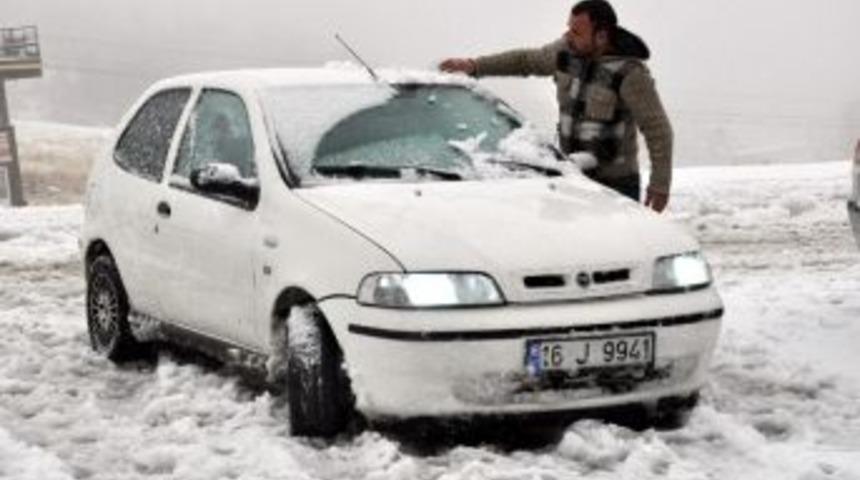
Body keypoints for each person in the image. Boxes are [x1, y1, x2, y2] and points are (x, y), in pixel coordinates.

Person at [440, 0, 673, 212]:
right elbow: (525, 60)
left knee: (616, 244)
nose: (568, 35)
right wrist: (475, 66)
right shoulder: (565, 52)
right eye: (569, 27)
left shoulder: (631, 74)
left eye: (576, 32)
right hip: (573, 178)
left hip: (616, 186)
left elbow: (658, 129)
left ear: (601, 36)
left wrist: (660, 185)